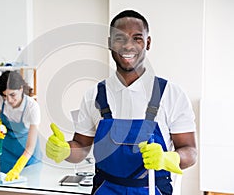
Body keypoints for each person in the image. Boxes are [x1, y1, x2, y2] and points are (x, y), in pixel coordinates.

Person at [46, 10, 197, 195]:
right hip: (105, 189)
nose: (128, 46)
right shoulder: (94, 95)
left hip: (152, 189)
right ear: (109, 42)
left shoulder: (171, 94)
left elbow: (190, 151)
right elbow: (80, 147)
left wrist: (169, 158)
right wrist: (65, 150)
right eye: (120, 38)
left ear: (148, 43)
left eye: (137, 38)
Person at [0, 70, 41, 181]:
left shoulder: (32, 108)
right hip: (7, 151)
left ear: (21, 89)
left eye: (12, 95)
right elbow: (1, 118)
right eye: (5, 96)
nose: (9, 100)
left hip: (27, 155)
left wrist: (17, 168)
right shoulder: (0, 98)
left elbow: (30, 147)